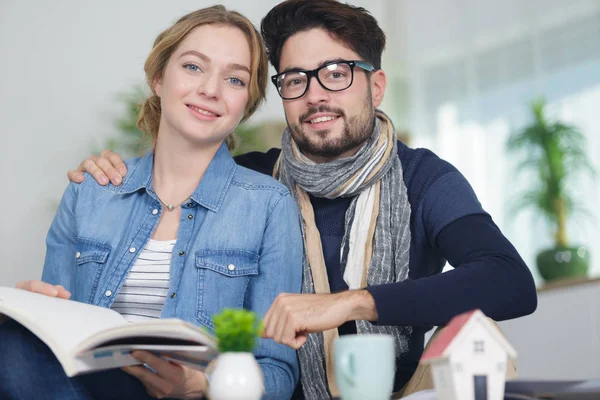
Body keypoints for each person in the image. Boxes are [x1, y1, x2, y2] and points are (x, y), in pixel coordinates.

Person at [67, 0, 538, 399]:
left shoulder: (423, 179)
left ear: (375, 87)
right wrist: (111, 172)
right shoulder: (251, 179)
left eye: (336, 73)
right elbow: (170, 170)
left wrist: (351, 303)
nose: (314, 95)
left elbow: (509, 281)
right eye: (295, 79)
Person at [0, 5, 304, 400]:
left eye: (234, 79)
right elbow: (53, 348)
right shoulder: (91, 190)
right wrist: (32, 317)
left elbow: (277, 371)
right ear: (159, 78)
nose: (211, 89)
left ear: (246, 102)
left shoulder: (268, 206)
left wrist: (203, 385)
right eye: (194, 67)